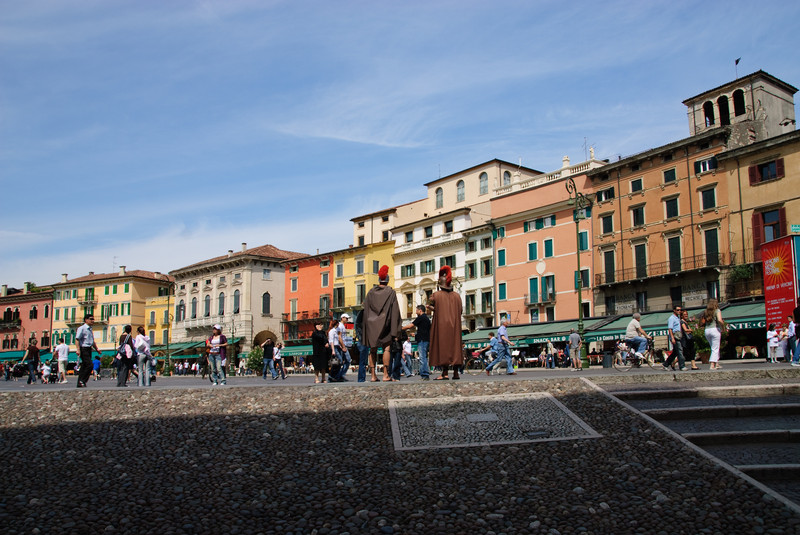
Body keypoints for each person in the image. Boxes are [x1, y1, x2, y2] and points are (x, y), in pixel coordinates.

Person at [362, 265, 402, 382]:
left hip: (371, 324)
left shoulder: (370, 293)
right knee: (386, 349)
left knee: (372, 350)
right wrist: (396, 331)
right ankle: (385, 375)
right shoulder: (391, 292)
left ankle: (373, 376)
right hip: (386, 323)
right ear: (387, 280)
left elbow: (366, 310)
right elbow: (395, 311)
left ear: (379, 280)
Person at [428, 266, 463, 380]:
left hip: (442, 326)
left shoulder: (436, 295)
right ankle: (456, 372)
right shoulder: (457, 296)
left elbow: (430, 303)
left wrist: (432, 308)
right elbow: (460, 311)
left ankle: (445, 372)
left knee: (443, 348)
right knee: (455, 348)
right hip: (455, 326)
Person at [402, 305, 431, 380]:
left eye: (416, 310)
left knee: (422, 357)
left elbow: (410, 325)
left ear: (420, 310)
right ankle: (424, 374)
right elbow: (424, 330)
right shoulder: (427, 319)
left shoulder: (421, 318)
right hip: (426, 339)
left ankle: (424, 374)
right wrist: (415, 334)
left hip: (422, 340)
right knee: (424, 356)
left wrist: (401, 328)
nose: (416, 312)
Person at [75, 314, 101, 388]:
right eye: (91, 319)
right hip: (83, 348)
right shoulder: (82, 328)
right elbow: (77, 339)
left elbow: (92, 341)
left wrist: (97, 349)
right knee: (89, 365)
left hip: (89, 348)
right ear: (86, 320)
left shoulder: (90, 329)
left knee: (84, 366)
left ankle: (80, 382)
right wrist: (78, 349)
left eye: (93, 319)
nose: (92, 320)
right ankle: (82, 380)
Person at [699, 299, 726, 370]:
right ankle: (712, 364)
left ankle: (716, 363)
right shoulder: (717, 310)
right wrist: (723, 327)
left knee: (713, 347)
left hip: (707, 330)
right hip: (715, 329)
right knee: (715, 348)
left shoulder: (706, 311)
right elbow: (720, 320)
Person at [663, 305, 686, 371]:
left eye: (680, 310)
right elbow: (670, 329)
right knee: (680, 351)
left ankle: (665, 364)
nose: (679, 311)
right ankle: (682, 366)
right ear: (674, 310)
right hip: (675, 336)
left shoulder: (678, 318)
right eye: (678, 310)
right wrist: (672, 338)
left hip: (679, 336)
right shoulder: (672, 318)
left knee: (675, 352)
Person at [332, 313, 351, 382]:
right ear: (342, 318)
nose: (347, 319)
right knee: (347, 360)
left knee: (343, 361)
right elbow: (339, 336)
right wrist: (343, 346)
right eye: (346, 318)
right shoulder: (340, 326)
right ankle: (340, 375)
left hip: (342, 345)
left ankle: (339, 375)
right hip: (342, 346)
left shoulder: (342, 326)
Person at [354, 310, 371, 382]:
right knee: (363, 361)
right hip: (363, 341)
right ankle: (361, 379)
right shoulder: (363, 313)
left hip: (363, 340)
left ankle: (362, 378)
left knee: (363, 361)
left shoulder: (362, 314)